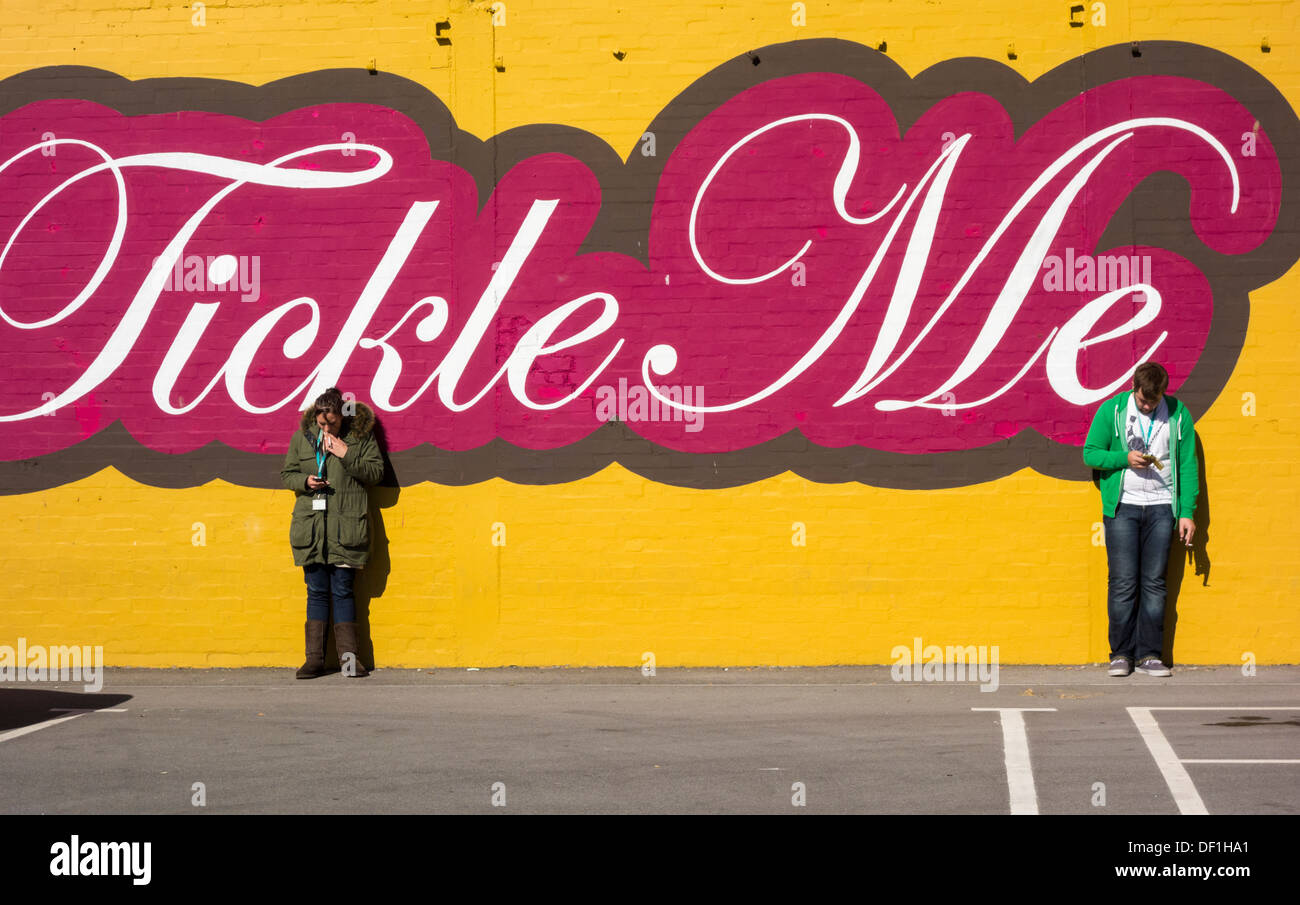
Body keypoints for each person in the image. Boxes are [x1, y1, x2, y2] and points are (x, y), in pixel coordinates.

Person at [1083, 362, 1198, 678]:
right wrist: (1124, 458)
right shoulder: (1113, 410)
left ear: (1163, 392)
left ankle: (1149, 655)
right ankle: (1120, 654)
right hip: (1124, 507)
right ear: (1134, 388)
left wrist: (1186, 511)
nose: (1148, 406)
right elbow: (1090, 453)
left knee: (1155, 583)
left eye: (1154, 401)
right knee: (1122, 582)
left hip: (1162, 507)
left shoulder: (1177, 414)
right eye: (1143, 401)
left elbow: (1187, 464)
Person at [281, 387, 385, 679]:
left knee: (342, 591)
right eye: (322, 423)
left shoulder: (361, 438)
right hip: (312, 528)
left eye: (332, 423)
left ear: (343, 417)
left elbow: (376, 474)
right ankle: (313, 660)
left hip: (346, 529)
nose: (326, 429)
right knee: (315, 592)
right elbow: (287, 474)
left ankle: (349, 662)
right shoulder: (303, 438)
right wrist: (305, 481)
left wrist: (345, 453)